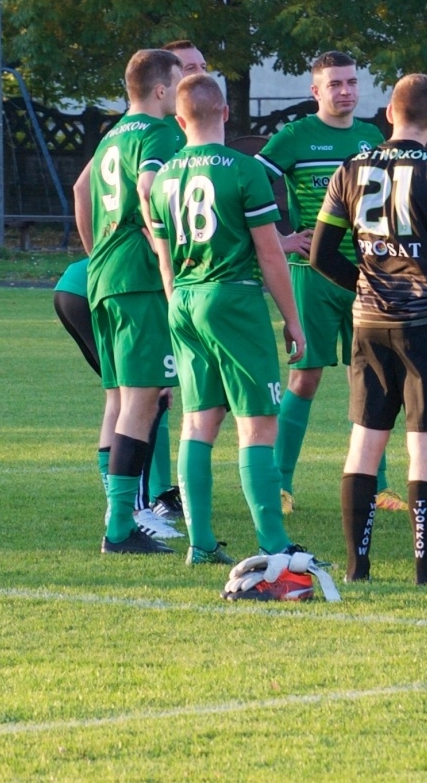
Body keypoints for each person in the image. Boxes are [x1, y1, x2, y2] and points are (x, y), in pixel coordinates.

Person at [147, 75, 328, 597]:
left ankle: (200, 541)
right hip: (233, 298)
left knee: (199, 422)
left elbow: (162, 257)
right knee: (257, 425)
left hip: (182, 297)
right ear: (224, 113)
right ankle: (274, 540)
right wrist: (292, 319)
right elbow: (272, 254)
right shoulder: (244, 170)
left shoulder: (160, 179)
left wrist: (178, 306)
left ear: (180, 120)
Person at [311, 73, 427, 587]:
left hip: (369, 323)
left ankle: (357, 568)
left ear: (389, 113)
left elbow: (320, 255)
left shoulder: (352, 165)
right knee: (425, 446)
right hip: (424, 325)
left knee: (365, 441)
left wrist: (364, 286)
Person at [255, 51, 393, 515]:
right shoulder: (295, 137)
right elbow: (249, 183)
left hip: (366, 276)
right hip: (311, 276)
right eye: (335, 84)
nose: (346, 91)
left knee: (375, 376)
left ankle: (381, 485)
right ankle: (281, 482)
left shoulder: (371, 137)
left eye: (352, 81)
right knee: (306, 377)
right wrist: (280, 237)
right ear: (316, 91)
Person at [71, 48, 185, 555]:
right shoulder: (161, 132)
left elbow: (80, 188)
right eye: (179, 82)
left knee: (119, 400)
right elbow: (147, 190)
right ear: (161, 90)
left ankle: (120, 519)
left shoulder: (113, 133)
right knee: (143, 401)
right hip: (139, 280)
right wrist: (166, 259)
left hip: (103, 278)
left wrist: (99, 253)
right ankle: (120, 528)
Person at [53, 258, 181, 540]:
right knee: (145, 398)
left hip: (78, 282)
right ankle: (137, 510)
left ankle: (122, 506)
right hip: (119, 289)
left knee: (120, 398)